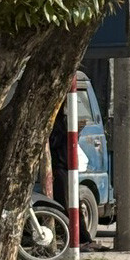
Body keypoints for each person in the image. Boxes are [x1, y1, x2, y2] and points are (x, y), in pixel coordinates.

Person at [49, 108, 106, 252]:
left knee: (73, 205)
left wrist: (75, 132)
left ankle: (83, 239)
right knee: (67, 206)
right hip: (59, 168)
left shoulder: (62, 120)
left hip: (66, 168)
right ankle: (78, 239)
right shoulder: (53, 122)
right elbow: (54, 142)